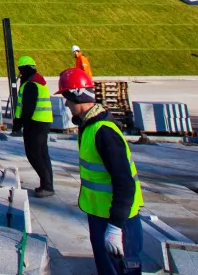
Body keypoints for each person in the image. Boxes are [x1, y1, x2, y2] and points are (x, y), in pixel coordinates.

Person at [59, 67, 143, 275]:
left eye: (67, 98)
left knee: (122, 270)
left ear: (76, 96)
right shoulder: (89, 127)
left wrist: (115, 226)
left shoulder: (103, 131)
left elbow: (124, 182)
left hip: (117, 220)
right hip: (100, 215)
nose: (66, 104)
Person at [11, 55, 54, 197]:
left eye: (20, 70)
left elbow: (27, 108)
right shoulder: (38, 81)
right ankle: (48, 184)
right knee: (43, 154)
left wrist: (20, 124)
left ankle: (47, 186)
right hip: (43, 122)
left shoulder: (30, 84)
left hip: (35, 123)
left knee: (34, 154)